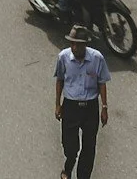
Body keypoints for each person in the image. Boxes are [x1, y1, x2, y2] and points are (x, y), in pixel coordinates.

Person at [54, 24, 111, 179]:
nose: (74, 47)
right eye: (72, 43)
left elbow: (102, 83)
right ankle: (69, 164)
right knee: (70, 147)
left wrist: (104, 107)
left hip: (90, 108)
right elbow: (59, 80)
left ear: (85, 44)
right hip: (70, 106)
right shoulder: (63, 57)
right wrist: (58, 105)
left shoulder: (97, 58)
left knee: (89, 147)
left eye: (77, 44)